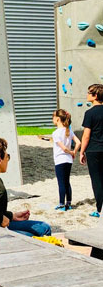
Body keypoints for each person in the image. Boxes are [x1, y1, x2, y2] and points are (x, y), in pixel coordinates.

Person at [79, 84, 103, 217]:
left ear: (95, 96)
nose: (87, 94)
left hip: (94, 150)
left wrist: (82, 151)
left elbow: (86, 135)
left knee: (97, 180)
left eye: (89, 93)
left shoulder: (89, 113)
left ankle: (100, 209)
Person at [52, 109, 80, 211]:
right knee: (67, 181)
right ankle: (69, 203)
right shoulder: (69, 131)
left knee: (61, 182)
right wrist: (74, 152)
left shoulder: (55, 133)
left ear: (58, 119)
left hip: (60, 159)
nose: (53, 119)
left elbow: (63, 148)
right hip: (68, 160)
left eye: (53, 117)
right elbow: (78, 142)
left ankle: (61, 204)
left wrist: (71, 152)